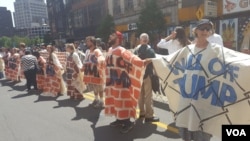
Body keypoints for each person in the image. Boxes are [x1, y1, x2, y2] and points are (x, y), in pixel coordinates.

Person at [105, 31, 151, 133]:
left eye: (112, 35)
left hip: (121, 83)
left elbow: (132, 58)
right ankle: (119, 119)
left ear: (118, 38)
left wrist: (142, 62)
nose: (109, 36)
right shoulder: (109, 50)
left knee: (122, 101)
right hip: (113, 82)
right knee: (115, 100)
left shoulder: (121, 50)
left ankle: (127, 122)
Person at [133, 33, 160, 123]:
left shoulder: (136, 50)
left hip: (138, 75)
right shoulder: (150, 50)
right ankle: (149, 115)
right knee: (148, 96)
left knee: (140, 96)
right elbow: (154, 62)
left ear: (140, 40)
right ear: (147, 40)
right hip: (147, 75)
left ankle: (142, 113)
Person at [84, 36, 105, 108]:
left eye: (88, 41)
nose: (86, 43)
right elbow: (86, 61)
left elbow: (101, 58)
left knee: (99, 88)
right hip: (91, 73)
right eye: (86, 41)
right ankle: (96, 99)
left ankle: (101, 101)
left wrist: (98, 61)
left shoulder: (97, 50)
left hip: (97, 73)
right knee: (94, 87)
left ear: (92, 42)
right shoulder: (88, 51)